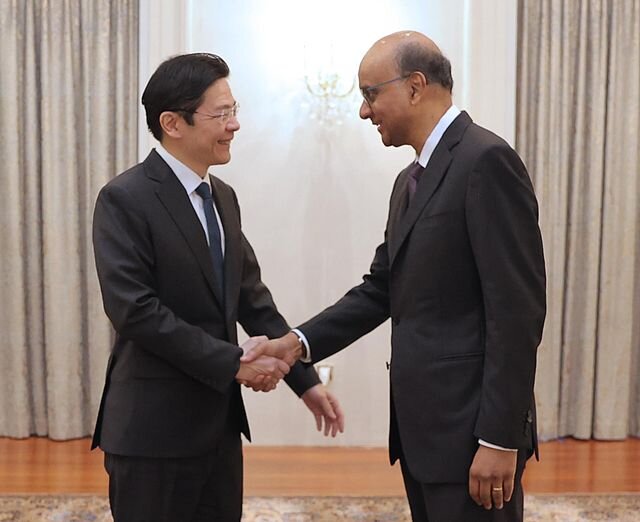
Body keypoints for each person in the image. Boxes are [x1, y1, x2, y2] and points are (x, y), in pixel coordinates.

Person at [243, 31, 546, 521]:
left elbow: (518, 312)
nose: (364, 111)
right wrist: (295, 344)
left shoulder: (485, 161)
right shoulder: (408, 182)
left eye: (369, 93)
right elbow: (380, 289)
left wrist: (499, 438)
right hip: (423, 433)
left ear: (415, 86)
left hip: (471, 433)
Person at [91, 52, 344, 522]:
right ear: (172, 122)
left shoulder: (222, 197)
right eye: (222, 113)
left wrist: (303, 379)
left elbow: (252, 298)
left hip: (218, 427)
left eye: (235, 110)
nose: (235, 125)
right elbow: (135, 311)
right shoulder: (124, 199)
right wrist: (234, 364)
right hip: (152, 431)